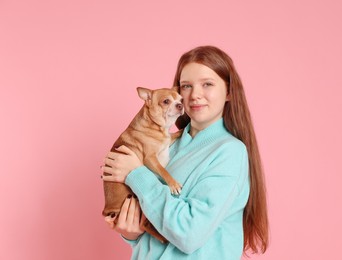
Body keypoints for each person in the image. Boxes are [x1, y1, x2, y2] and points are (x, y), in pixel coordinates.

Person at [101, 45, 269, 259]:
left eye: (207, 84)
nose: (195, 95)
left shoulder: (230, 152)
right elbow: (157, 232)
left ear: (229, 92)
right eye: (186, 86)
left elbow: (189, 234)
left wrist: (136, 173)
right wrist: (132, 233)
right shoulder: (165, 144)